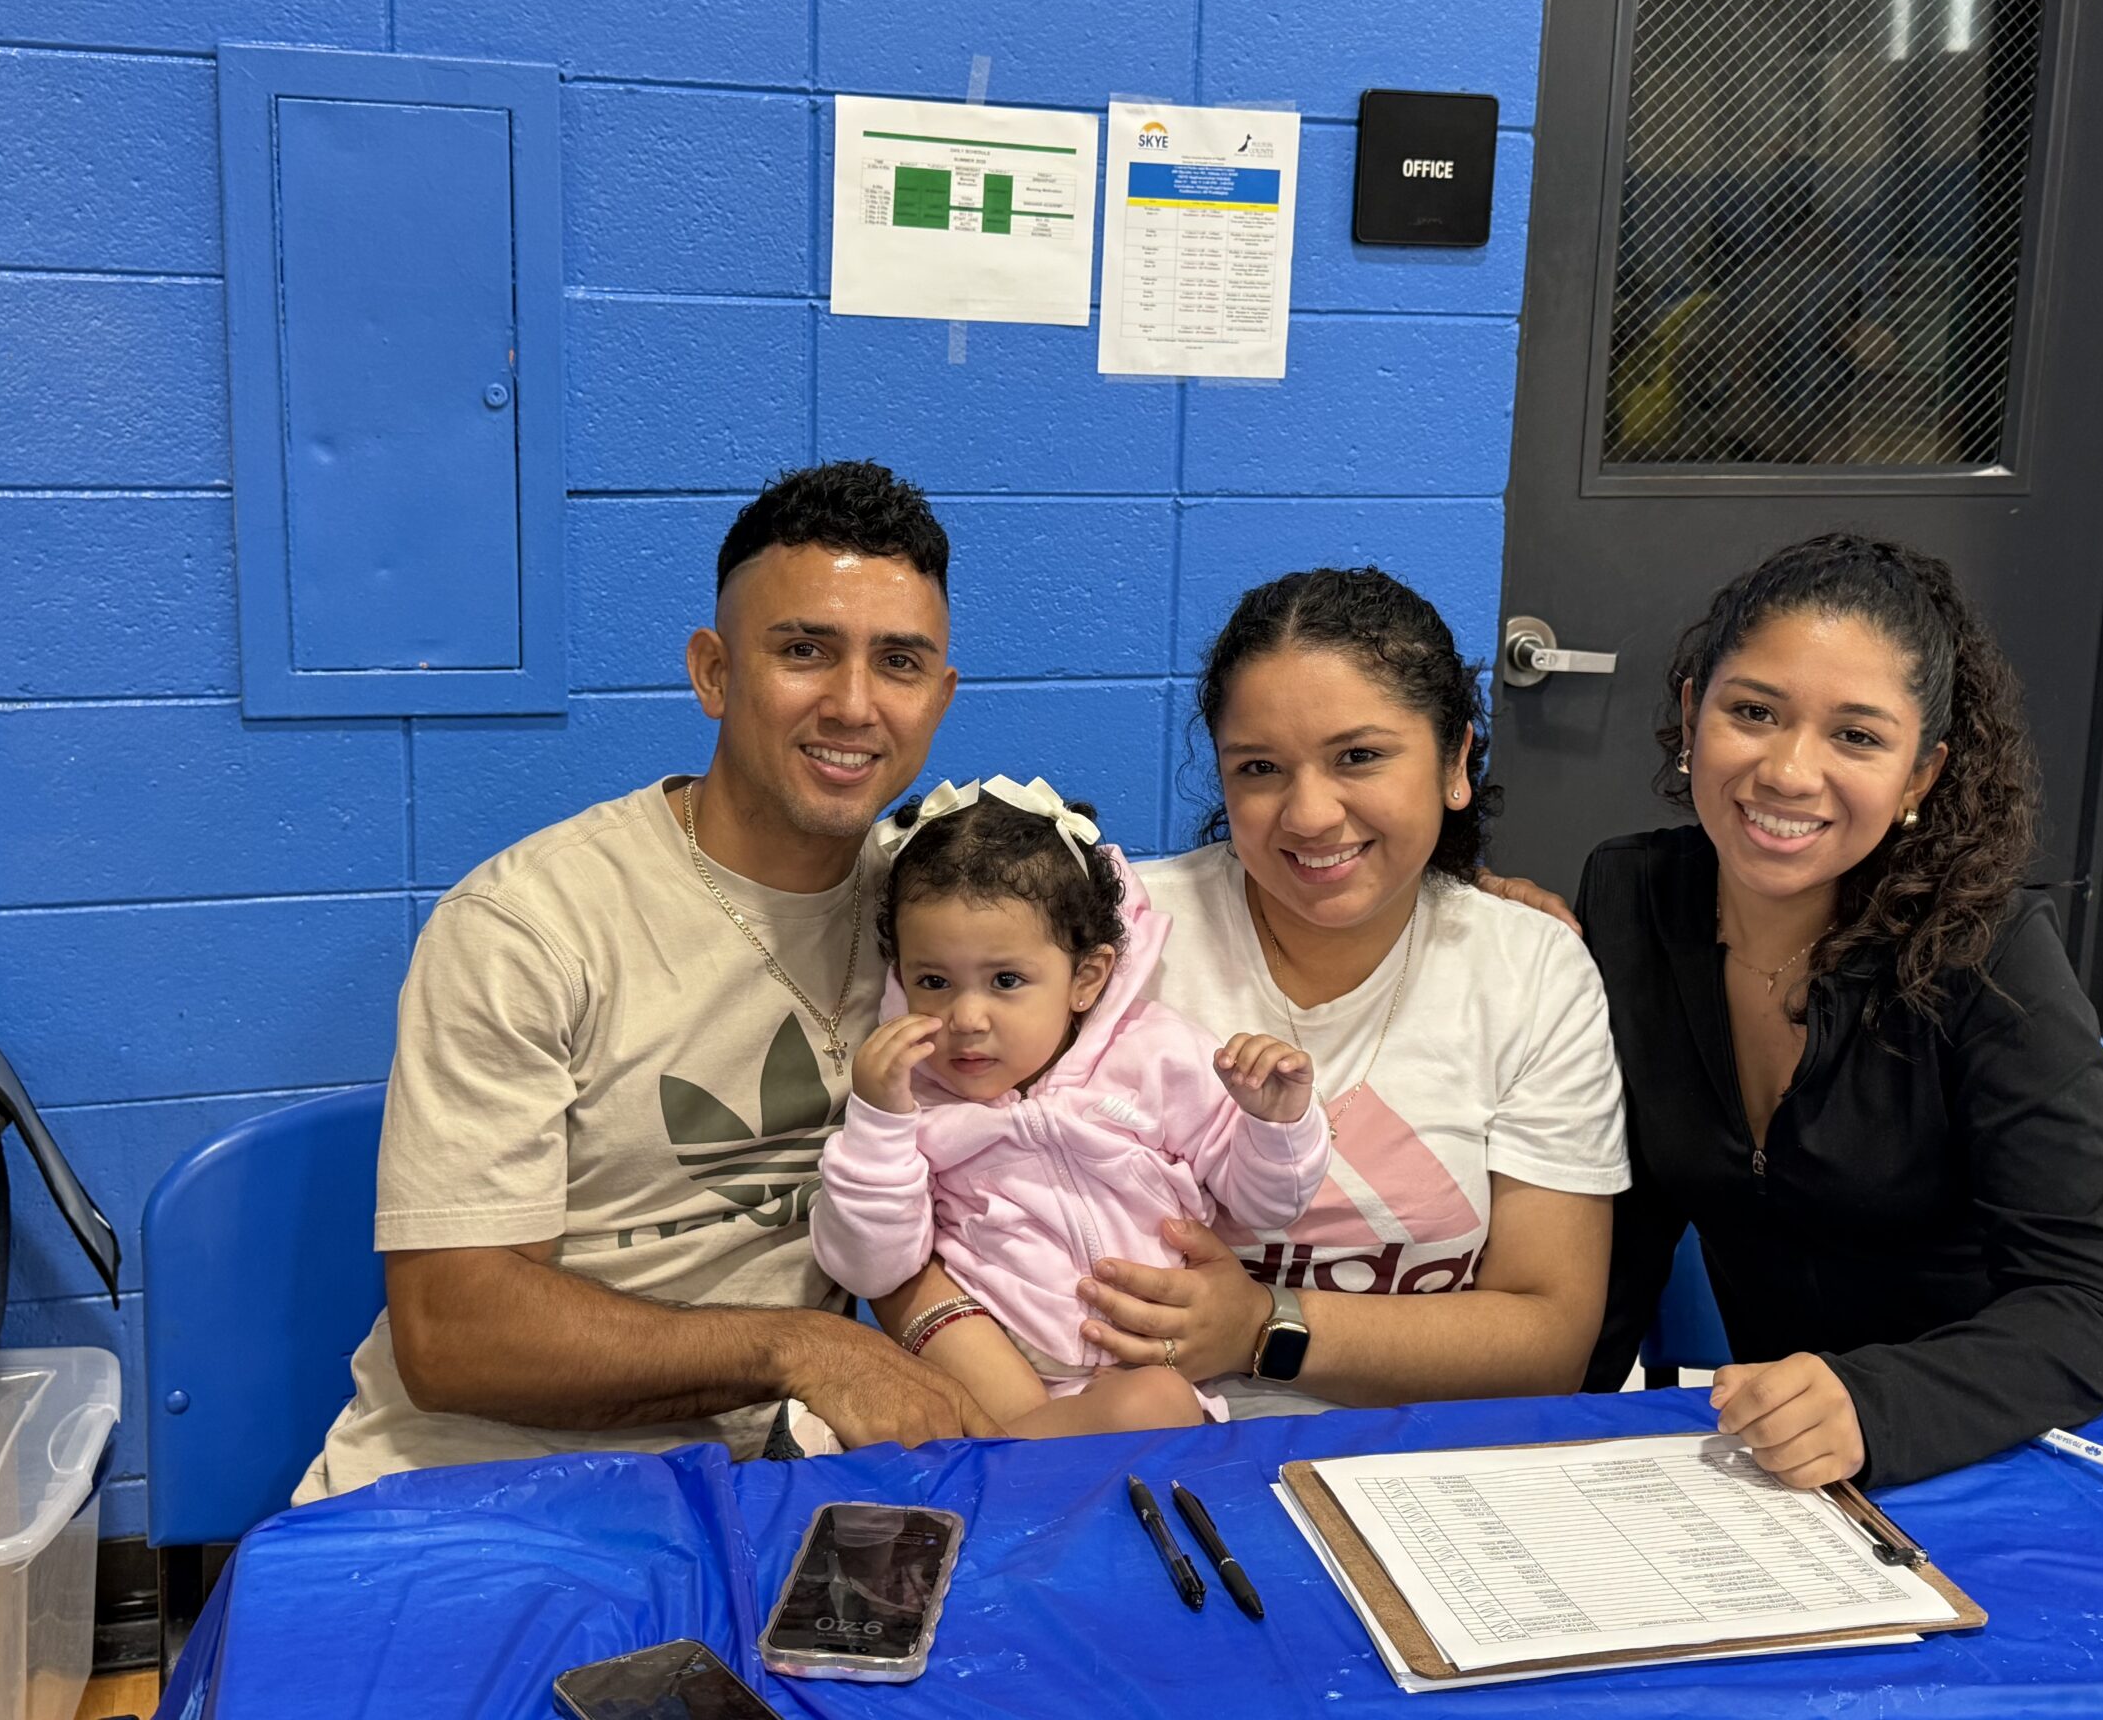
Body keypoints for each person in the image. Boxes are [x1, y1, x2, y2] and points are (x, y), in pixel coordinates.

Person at [296, 461, 998, 1502]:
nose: (854, 704)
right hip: (467, 1486)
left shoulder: (937, 916)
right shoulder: (530, 924)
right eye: (804, 650)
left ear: (937, 699)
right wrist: (802, 1349)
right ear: (714, 673)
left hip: (762, 1488)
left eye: (898, 663)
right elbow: (451, 1335)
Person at [883, 568, 1631, 1415]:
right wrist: (1021, 1429)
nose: (1309, 814)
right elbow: (922, 1173)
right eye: (1261, 767)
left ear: (1455, 758)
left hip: (1413, 1469)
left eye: (1360, 756)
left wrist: (1266, 1328)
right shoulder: (1110, 939)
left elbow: (1549, 1341)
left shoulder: (1527, 968)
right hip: (1118, 1441)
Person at [1575, 532, 2103, 1491]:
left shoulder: (1990, 952)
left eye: (1857, 735)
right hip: (1780, 1472)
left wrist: (1872, 1405)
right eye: (1753, 711)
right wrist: (1522, 1433)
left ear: (1920, 774)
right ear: (1691, 714)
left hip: (1992, 1440)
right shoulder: (1628, 898)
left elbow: (2092, 1304)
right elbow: (1617, 1240)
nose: (1790, 773)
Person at [812, 777, 1329, 1438]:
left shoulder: (1158, 1056)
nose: (966, 1018)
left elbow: (1267, 1205)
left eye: (1006, 981)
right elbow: (869, 1267)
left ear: (1085, 977)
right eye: (933, 981)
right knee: (945, 1347)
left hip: (1136, 1371)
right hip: (987, 1360)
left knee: (1159, 1404)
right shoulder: (909, 1098)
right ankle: (1004, 1456)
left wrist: (1275, 1122)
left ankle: (998, 1465)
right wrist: (880, 1123)